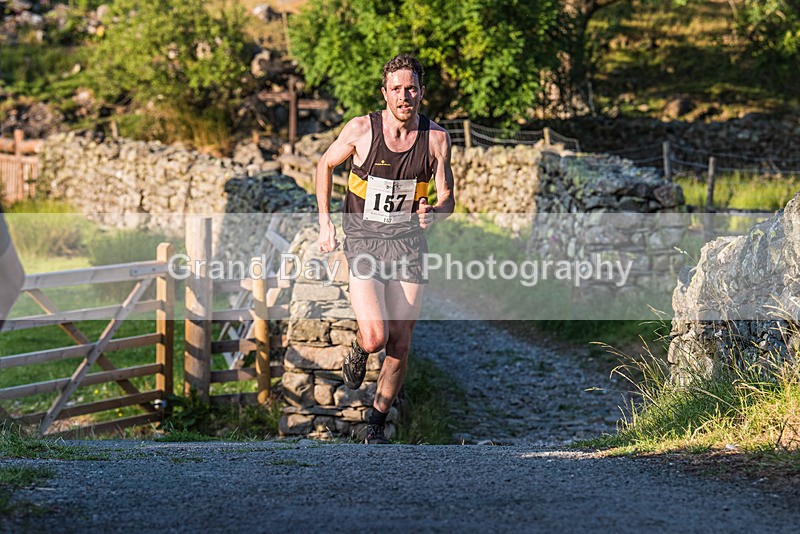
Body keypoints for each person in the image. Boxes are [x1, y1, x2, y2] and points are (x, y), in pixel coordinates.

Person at [315, 54, 455, 444]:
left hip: (409, 245)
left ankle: (374, 424)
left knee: (401, 343)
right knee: (376, 337)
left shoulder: (437, 138)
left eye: (411, 88)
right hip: (364, 241)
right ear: (385, 93)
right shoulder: (361, 129)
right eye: (396, 89)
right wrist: (326, 222)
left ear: (421, 93)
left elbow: (448, 198)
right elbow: (325, 165)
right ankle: (360, 350)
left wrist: (435, 214)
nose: (403, 95)